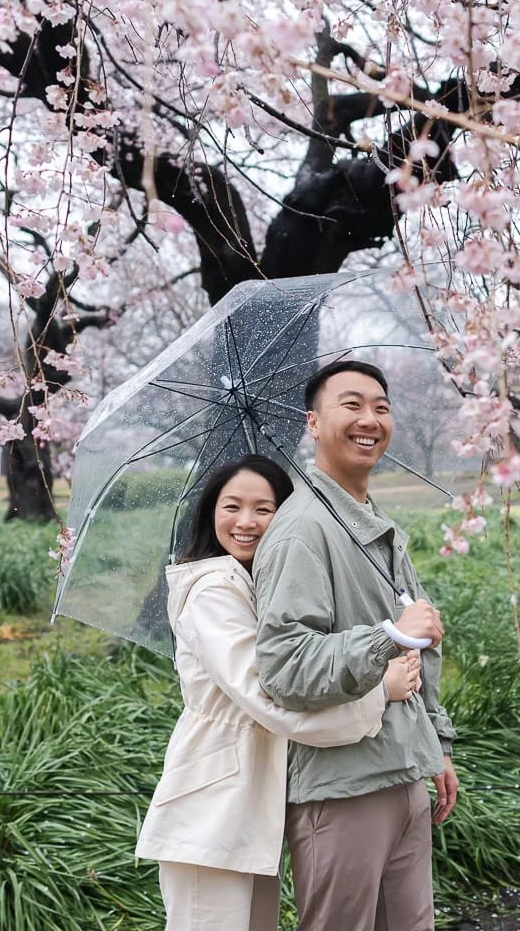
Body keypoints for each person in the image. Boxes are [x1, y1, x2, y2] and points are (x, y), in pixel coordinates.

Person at [136, 454, 423, 931]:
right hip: (213, 807)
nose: (246, 522)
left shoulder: (254, 584)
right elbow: (268, 697)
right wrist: (378, 691)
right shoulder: (212, 592)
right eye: (232, 506)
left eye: (263, 509)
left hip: (249, 803)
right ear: (210, 513)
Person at [254, 360, 458, 931]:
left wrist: (435, 742)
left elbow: (419, 647)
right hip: (342, 785)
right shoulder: (303, 529)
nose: (370, 419)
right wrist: (386, 638)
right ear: (313, 423)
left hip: (401, 769)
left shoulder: (372, 520)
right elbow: (284, 664)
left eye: (381, 407)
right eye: (351, 405)